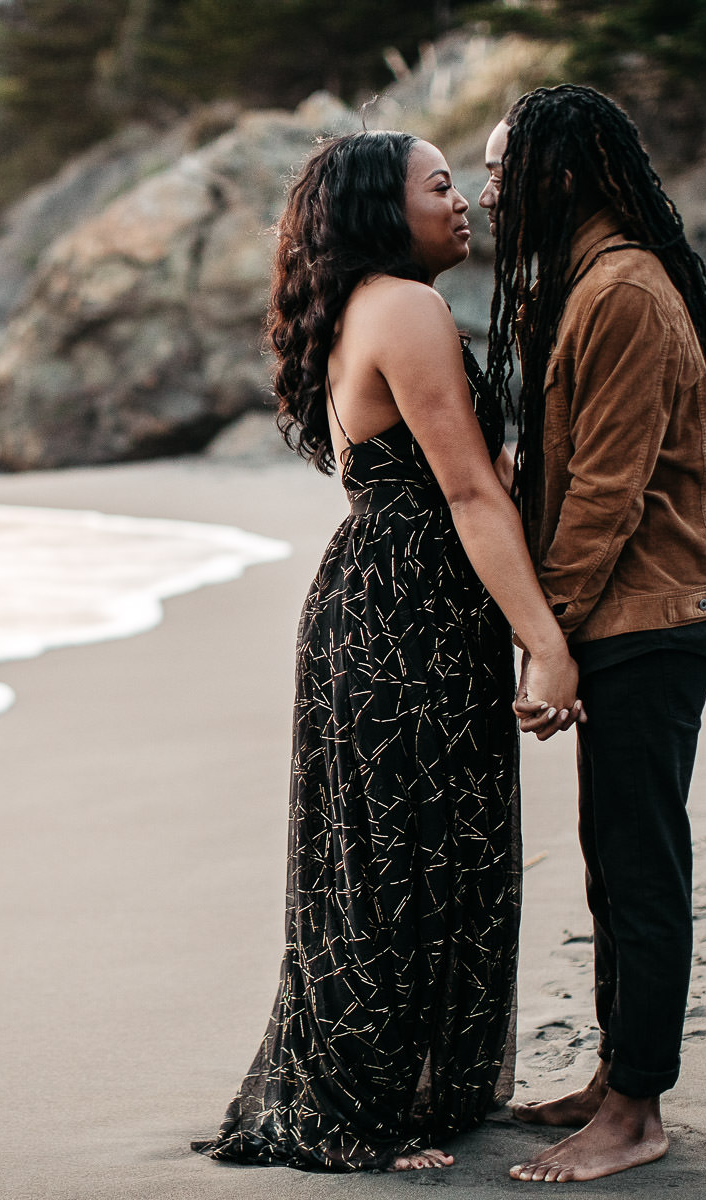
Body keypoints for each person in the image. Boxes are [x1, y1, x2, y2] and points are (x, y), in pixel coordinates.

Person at [192, 130, 582, 1173]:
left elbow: (447, 474)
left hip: (388, 598)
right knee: (404, 853)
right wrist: (545, 644)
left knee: (404, 846)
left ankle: (407, 1088)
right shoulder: (404, 307)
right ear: (380, 209)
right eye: (441, 186)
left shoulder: (373, 304)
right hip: (405, 610)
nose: (464, 204)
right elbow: (463, 492)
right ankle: (364, 1112)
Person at [478, 85, 706, 1183]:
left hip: (651, 617)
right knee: (612, 859)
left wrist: (551, 638)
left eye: (504, 168)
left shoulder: (624, 290)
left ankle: (637, 1111)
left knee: (640, 866)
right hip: (630, 613)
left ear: (565, 172)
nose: (491, 191)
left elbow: (607, 491)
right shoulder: (592, 282)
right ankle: (615, 1072)